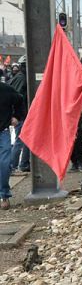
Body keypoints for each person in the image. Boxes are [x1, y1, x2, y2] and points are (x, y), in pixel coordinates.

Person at [0, 80, 25, 209]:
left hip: (3, 132)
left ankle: (4, 194)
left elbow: (20, 100)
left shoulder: (6, 90)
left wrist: (17, 116)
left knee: (4, 164)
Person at [7, 63, 30, 173]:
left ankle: (21, 164)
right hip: (22, 114)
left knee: (23, 140)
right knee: (21, 140)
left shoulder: (18, 77)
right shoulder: (22, 78)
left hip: (21, 114)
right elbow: (18, 97)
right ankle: (15, 165)